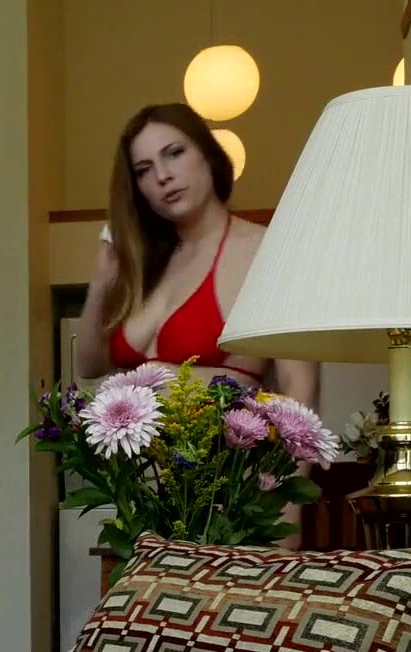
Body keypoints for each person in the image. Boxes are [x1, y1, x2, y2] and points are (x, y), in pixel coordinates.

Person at [75, 102, 320, 546]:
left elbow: (298, 392)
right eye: (144, 169)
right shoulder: (146, 264)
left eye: (174, 153)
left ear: (208, 153)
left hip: (231, 508)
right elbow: (90, 365)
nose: (162, 175)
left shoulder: (267, 250)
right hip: (140, 514)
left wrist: (285, 519)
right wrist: (101, 281)